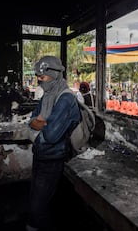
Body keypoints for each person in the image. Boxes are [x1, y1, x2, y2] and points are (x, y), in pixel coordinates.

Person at [26, 56, 81, 231]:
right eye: (38, 77)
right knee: (35, 197)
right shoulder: (48, 95)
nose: (40, 81)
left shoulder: (65, 98)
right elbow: (32, 119)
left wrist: (40, 123)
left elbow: (50, 135)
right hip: (40, 152)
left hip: (52, 157)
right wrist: (43, 122)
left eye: (42, 77)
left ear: (54, 74)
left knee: (38, 206)